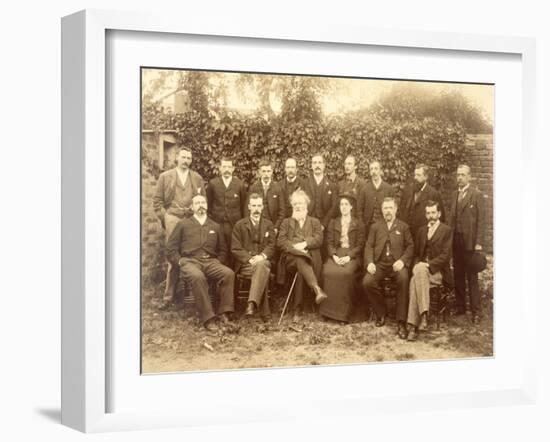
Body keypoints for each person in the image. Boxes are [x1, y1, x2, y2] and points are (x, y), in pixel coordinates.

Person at [166, 194, 235, 332]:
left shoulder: (215, 226)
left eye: (203, 202)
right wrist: (179, 261)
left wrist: (218, 261)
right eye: (197, 203)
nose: (201, 205)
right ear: (192, 207)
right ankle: (208, 318)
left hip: (211, 262)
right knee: (197, 277)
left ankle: (224, 313)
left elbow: (223, 250)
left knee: (228, 273)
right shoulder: (183, 224)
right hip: (189, 262)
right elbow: (170, 248)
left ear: (207, 205)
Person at [152, 147, 206, 310]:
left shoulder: (197, 178)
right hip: (173, 219)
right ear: (177, 158)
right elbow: (157, 202)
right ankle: (169, 297)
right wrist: (166, 218)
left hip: (190, 219)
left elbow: (203, 199)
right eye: (183, 157)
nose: (186, 161)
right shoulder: (165, 177)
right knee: (173, 257)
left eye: (189, 158)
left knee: (192, 253)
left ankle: (192, 295)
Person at [362, 197, 414, 339]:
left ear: (396, 209)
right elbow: (369, 246)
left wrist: (403, 261)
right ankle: (381, 312)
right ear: (382, 210)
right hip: (380, 264)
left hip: (396, 264)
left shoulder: (403, 226)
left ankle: (401, 321)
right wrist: (370, 262)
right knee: (367, 282)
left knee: (403, 278)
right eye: (385, 208)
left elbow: (410, 246)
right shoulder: (375, 226)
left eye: (390, 208)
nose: (388, 211)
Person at [277, 190, 328, 321]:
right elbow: (281, 242)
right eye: (295, 204)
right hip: (290, 260)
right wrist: (297, 248)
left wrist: (304, 244)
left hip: (310, 260)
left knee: (301, 271)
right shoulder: (286, 222)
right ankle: (317, 289)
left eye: (300, 203)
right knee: (300, 258)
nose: (298, 206)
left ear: (306, 205)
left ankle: (297, 310)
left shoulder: (315, 222)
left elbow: (319, 239)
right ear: (292, 206)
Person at [406, 201, 453, 341]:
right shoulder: (421, 231)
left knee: (417, 275)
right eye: (428, 213)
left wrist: (428, 265)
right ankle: (422, 317)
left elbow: (445, 257)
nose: (430, 216)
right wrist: (417, 266)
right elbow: (416, 254)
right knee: (418, 273)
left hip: (437, 273)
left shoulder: (446, 230)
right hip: (422, 273)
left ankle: (413, 325)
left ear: (439, 214)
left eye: (433, 213)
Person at [448, 165, 486, 324]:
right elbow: (452, 219)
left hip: (470, 242)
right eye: (458, 175)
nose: (460, 178)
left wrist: (478, 243)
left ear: (469, 177)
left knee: (471, 276)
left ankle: (476, 311)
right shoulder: (454, 195)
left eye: (463, 175)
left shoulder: (476, 195)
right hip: (456, 241)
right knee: (458, 274)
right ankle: (460, 306)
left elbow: (482, 221)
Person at [320, 194, 366, 323]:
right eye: (341, 204)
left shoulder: (359, 224)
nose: (344, 207)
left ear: (351, 207)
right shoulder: (333, 222)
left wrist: (348, 257)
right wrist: (334, 256)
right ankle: (328, 312)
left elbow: (361, 245)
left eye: (346, 204)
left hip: (352, 255)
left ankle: (343, 314)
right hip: (336, 253)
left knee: (345, 273)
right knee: (328, 271)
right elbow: (328, 243)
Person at [231, 193, 276, 319]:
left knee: (262, 266)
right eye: (254, 206)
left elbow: (272, 245)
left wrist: (262, 256)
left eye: (259, 206)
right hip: (246, 264)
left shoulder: (268, 224)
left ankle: (251, 304)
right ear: (249, 207)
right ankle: (263, 310)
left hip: (263, 260)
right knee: (262, 270)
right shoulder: (239, 225)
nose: (256, 209)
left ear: (262, 207)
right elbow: (235, 248)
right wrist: (250, 259)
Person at [206, 157, 247, 266]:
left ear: (233, 168)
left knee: (233, 250)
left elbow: (244, 206)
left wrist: (242, 224)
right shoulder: (213, 183)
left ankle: (234, 278)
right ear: (220, 168)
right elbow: (208, 205)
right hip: (217, 223)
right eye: (224, 167)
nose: (227, 169)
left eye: (229, 167)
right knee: (218, 250)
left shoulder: (239, 184)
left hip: (233, 224)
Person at [398, 164, 446, 237]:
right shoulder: (407, 191)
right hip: (408, 235)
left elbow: (441, 217)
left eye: (418, 175)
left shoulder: (433, 194)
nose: (415, 178)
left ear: (425, 177)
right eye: (415, 175)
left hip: (424, 236)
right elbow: (401, 211)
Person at [247, 159, 285, 233]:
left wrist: (276, 227)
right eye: (264, 171)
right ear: (259, 172)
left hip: (273, 226)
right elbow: (248, 210)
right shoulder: (253, 188)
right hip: (257, 226)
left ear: (272, 172)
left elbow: (282, 211)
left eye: (268, 171)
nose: (266, 174)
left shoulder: (278, 188)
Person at [304, 153, 338, 229]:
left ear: (324, 165)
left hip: (325, 225)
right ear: (312, 166)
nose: (317, 165)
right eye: (315, 163)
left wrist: (324, 224)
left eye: (320, 162)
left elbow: (334, 206)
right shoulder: (304, 184)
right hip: (308, 223)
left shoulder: (331, 185)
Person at [362, 160, 395, 234]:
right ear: (370, 172)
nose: (374, 172)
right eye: (371, 169)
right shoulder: (365, 189)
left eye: (376, 169)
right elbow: (360, 209)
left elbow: (394, 209)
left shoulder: (389, 188)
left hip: (385, 226)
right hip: (368, 227)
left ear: (380, 171)